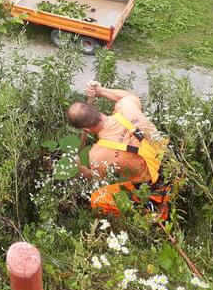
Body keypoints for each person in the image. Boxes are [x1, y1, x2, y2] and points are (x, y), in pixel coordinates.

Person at [66, 80, 170, 219]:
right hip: (177, 162)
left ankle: (152, 213)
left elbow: (96, 179)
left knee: (98, 199)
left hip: (158, 187)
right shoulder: (126, 108)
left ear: (86, 130)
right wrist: (101, 90)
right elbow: (127, 96)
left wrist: (80, 167)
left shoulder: (98, 154)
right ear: (98, 111)